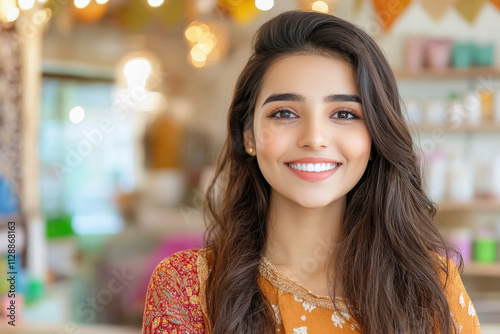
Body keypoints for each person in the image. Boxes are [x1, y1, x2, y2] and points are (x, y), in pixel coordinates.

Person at [142, 10, 481, 334]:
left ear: (376, 135)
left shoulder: (431, 286)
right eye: (285, 113)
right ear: (248, 134)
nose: (314, 139)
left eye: (345, 114)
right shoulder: (188, 287)